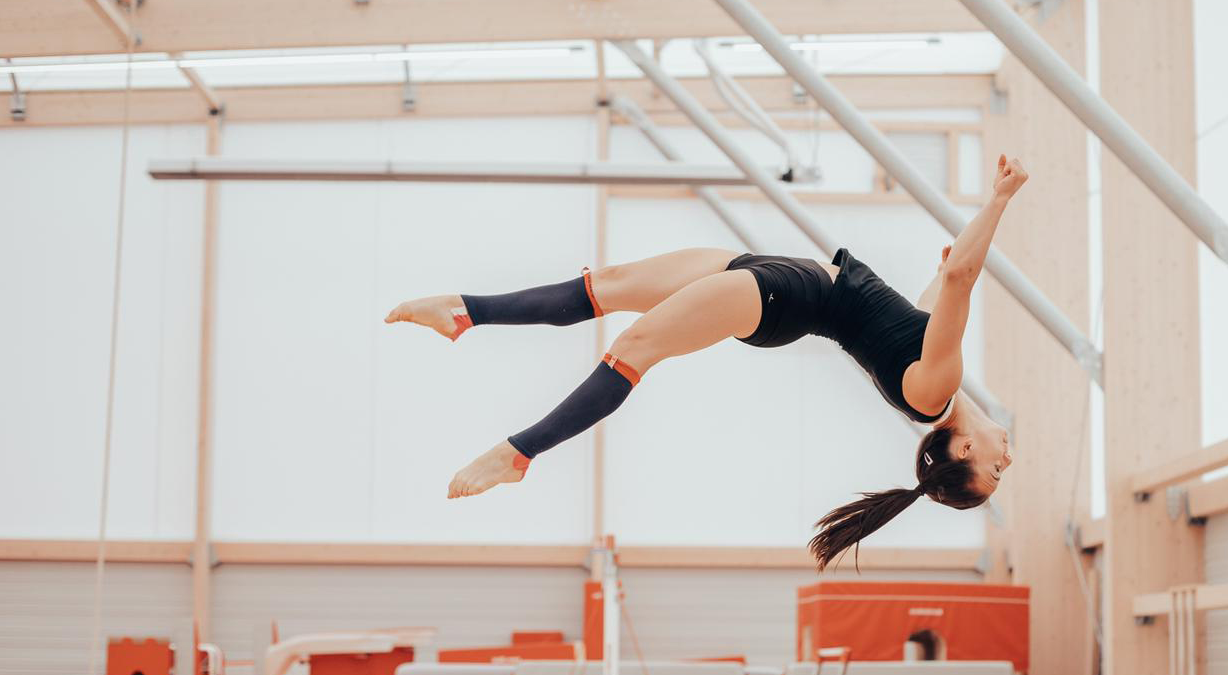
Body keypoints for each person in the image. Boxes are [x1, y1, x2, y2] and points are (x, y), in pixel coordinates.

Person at [386, 155, 1027, 569]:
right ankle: (465, 312)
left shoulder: (933, 391)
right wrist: (946, 269)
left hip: (781, 300)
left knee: (633, 350)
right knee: (604, 284)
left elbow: (963, 280)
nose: (1007, 457)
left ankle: (518, 453)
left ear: (963, 450)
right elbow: (936, 294)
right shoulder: (933, 389)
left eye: (995, 471)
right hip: (778, 274)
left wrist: (998, 200)